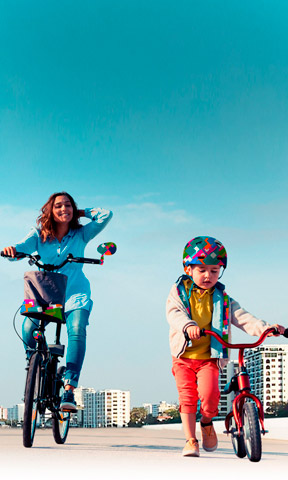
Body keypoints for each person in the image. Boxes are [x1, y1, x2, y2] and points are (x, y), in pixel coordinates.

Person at [166, 236, 285, 457]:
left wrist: (267, 328)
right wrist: (188, 326)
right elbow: (175, 314)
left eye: (214, 270)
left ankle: (207, 422)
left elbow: (243, 318)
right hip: (184, 356)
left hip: (210, 357)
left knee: (211, 396)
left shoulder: (223, 298)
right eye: (201, 269)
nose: (207, 275)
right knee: (188, 398)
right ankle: (191, 440)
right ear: (188, 268)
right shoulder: (179, 292)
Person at [2, 191, 113, 412]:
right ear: (49, 212)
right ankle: (34, 365)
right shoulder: (39, 234)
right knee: (27, 327)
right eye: (58, 206)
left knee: (77, 328)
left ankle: (69, 388)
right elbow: (21, 248)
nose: (64, 209)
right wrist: (12, 251)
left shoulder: (81, 234)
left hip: (74, 294)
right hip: (46, 294)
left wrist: (79, 213)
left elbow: (106, 215)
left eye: (68, 206)